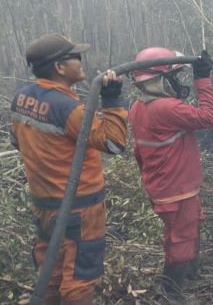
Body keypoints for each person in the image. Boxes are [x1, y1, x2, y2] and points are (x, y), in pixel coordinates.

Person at [10, 34, 128, 305]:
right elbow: (114, 143)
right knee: (79, 278)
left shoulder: (20, 99)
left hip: (44, 205)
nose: (81, 61)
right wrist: (112, 100)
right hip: (80, 209)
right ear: (59, 68)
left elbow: (18, 142)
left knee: (50, 270)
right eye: (76, 57)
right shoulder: (68, 108)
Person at [128, 47, 213, 301]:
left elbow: (139, 153)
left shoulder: (139, 107)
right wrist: (203, 79)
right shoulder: (166, 108)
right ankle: (172, 293)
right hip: (176, 190)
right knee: (181, 239)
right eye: (174, 77)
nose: (178, 82)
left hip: (166, 187)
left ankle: (187, 273)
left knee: (181, 233)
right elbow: (210, 118)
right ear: (161, 80)